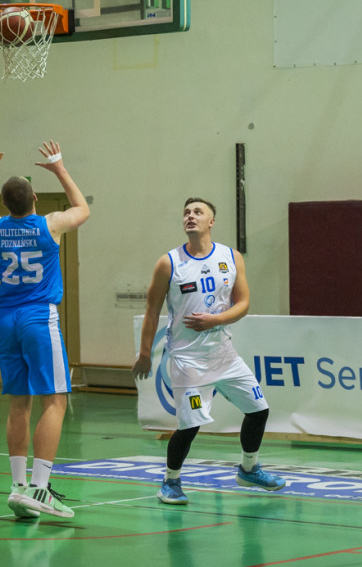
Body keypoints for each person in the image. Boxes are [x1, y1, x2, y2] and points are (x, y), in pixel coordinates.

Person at [132, 198, 285, 505]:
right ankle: (170, 482)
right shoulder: (169, 262)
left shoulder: (231, 256)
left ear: (211, 221)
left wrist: (216, 319)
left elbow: (243, 303)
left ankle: (248, 468)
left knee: (259, 410)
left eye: (198, 212)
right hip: (187, 359)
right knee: (190, 425)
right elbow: (151, 310)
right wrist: (145, 353)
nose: (191, 216)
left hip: (224, 354)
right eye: (187, 212)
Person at [0, 140, 90, 519]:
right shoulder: (48, 225)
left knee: (18, 404)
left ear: (4, 206)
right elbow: (82, 209)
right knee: (55, 400)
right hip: (38, 317)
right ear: (35, 199)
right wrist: (60, 168)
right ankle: (40, 488)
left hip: (3, 319)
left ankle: (18, 486)